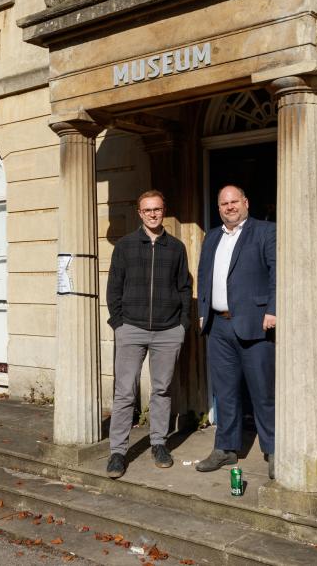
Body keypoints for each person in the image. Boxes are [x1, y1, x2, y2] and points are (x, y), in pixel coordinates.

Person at [105, 189, 192, 479]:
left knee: (162, 390)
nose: (153, 214)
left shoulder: (176, 248)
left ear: (163, 211)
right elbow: (114, 287)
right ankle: (118, 451)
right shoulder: (126, 246)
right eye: (147, 210)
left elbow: (184, 287)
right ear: (139, 213)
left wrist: (182, 324)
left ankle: (158, 443)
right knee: (124, 392)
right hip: (131, 327)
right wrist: (119, 322)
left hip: (168, 331)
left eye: (157, 209)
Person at [195, 185, 277, 479]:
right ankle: (225, 449)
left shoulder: (266, 231)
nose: (229, 207)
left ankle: (274, 450)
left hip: (256, 323)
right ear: (218, 208)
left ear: (246, 202)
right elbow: (204, 274)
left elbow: (277, 271)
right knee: (225, 392)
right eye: (223, 203)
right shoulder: (212, 236)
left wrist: (273, 308)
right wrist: (203, 311)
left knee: (262, 391)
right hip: (218, 326)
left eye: (234, 202)